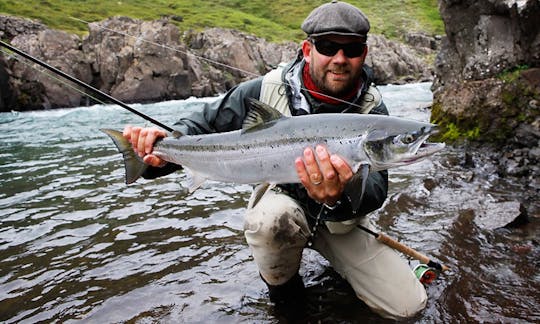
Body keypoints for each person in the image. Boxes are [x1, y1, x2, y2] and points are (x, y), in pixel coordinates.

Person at [123, 0, 427, 320]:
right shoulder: (264, 89)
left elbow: (376, 193)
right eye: (327, 46)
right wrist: (160, 149)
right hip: (284, 207)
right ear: (307, 50)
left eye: (351, 49)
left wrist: (345, 187)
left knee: (408, 308)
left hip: (343, 221)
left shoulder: (373, 110)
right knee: (269, 222)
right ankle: (286, 297)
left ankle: (337, 266)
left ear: (363, 54)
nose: (340, 59)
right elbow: (199, 126)